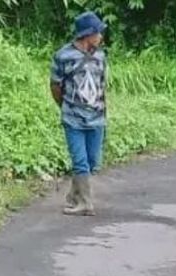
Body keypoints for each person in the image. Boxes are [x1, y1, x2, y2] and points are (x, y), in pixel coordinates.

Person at [50, 11, 108, 217]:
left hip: (97, 118)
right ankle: (85, 203)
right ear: (88, 34)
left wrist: (104, 112)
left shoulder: (101, 56)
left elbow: (102, 86)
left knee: (92, 162)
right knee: (80, 161)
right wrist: (65, 106)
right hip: (73, 117)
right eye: (99, 32)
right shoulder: (63, 56)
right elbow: (55, 86)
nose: (101, 36)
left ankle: (74, 196)